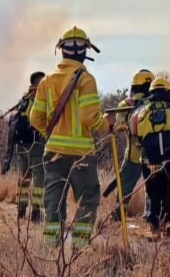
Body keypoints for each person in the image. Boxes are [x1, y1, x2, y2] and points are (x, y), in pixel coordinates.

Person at [30, 27, 114, 249]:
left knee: (53, 201)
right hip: (81, 154)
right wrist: (105, 124)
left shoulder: (47, 81)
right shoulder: (86, 79)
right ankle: (78, 248)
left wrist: (53, 134)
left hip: (53, 151)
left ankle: (51, 248)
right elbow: (88, 116)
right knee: (88, 200)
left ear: (61, 51)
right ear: (85, 51)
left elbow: (35, 118)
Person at [130, 77, 170, 236]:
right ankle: (169, 226)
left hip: (149, 161)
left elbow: (134, 133)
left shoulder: (140, 114)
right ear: (168, 94)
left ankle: (153, 226)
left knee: (152, 193)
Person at [111, 69, 155, 221]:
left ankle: (117, 216)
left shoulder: (126, 103)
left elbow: (117, 126)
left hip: (132, 154)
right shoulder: (155, 103)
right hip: (152, 154)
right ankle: (150, 217)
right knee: (152, 187)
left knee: (124, 187)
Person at [4, 71, 46, 221]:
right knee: (39, 179)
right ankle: (36, 212)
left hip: (21, 146)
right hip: (38, 144)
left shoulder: (24, 99)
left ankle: (20, 210)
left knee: (23, 179)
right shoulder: (41, 99)